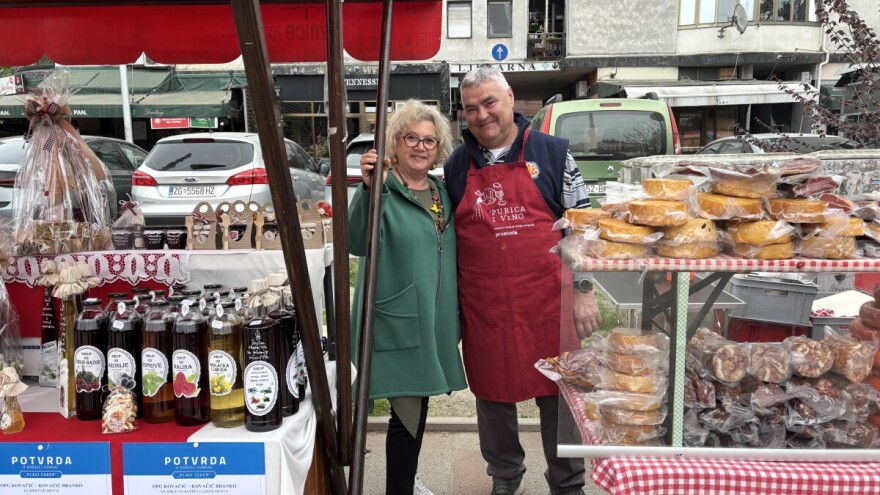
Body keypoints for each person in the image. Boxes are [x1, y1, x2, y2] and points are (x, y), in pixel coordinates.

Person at [444, 67, 602, 495]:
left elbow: (582, 229)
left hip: (548, 301)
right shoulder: (456, 166)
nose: (482, 115)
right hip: (485, 305)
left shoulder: (552, 154)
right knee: (492, 398)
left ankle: (568, 482)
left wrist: (584, 293)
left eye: (490, 102)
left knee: (560, 396)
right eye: (472, 108)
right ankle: (505, 474)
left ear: (510, 98)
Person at [350, 99, 467, 495]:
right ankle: (399, 488)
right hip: (396, 318)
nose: (420, 147)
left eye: (429, 141)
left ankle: (406, 480)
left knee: (419, 408)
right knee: (405, 414)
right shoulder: (383, 187)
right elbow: (355, 240)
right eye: (411, 138)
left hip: (432, 319)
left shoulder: (440, 190)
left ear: (439, 148)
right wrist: (368, 190)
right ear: (395, 143)